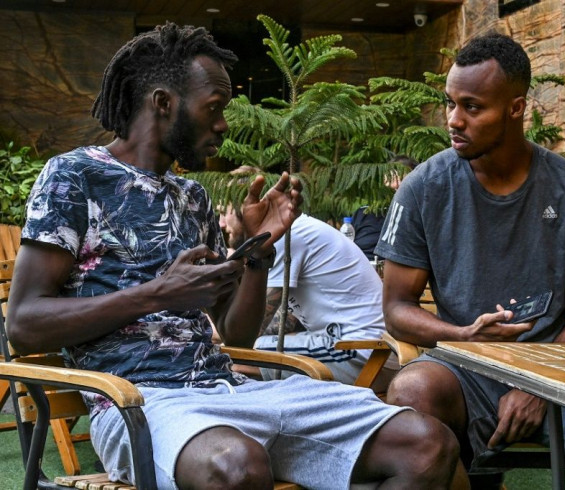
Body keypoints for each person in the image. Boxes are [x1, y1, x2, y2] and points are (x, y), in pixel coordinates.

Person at [6, 23, 466, 489]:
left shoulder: (192, 198)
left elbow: (233, 333)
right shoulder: (74, 176)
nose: (223, 124)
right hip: (137, 403)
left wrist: (259, 252)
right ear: (163, 103)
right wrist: (156, 294)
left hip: (234, 391)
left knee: (426, 443)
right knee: (235, 465)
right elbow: (22, 325)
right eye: (214, 109)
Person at [374, 32, 565, 489]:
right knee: (412, 392)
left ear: (516, 108)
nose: (454, 120)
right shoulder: (424, 189)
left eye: (472, 107)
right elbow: (396, 309)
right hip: (464, 371)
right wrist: (460, 333)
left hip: (558, 371)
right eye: (450, 103)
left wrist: (538, 384)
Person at [251, 214, 398, 389]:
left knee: (233, 356)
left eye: (226, 212)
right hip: (377, 353)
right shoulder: (296, 229)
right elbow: (286, 322)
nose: (221, 223)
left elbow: (248, 331)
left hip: (365, 354)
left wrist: (215, 327)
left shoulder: (284, 236)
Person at [352, 156, 418, 261]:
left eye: (402, 178)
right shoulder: (363, 213)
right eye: (392, 178)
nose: (396, 184)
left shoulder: (417, 215)